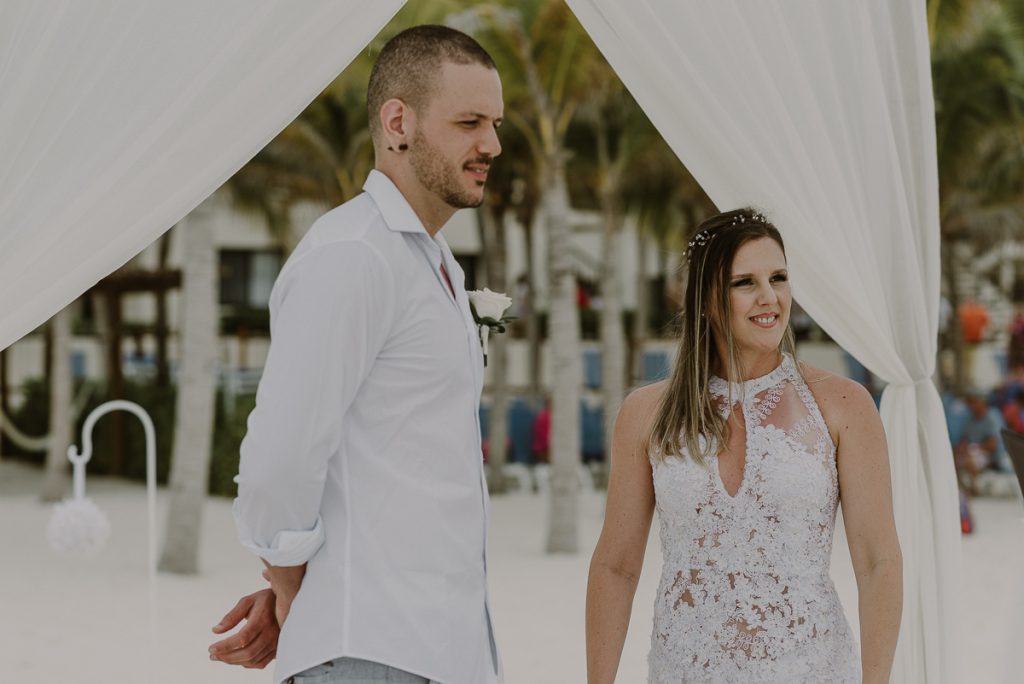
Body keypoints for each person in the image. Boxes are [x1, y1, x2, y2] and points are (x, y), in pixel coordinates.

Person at [207, 25, 504, 684]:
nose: (493, 145)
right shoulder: (353, 255)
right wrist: (293, 589)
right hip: (375, 654)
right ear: (398, 122)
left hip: (438, 649)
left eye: (495, 123)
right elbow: (276, 460)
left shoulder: (433, 263)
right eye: (470, 122)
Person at [585, 209, 902, 683]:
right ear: (708, 298)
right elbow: (616, 566)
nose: (769, 297)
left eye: (778, 277)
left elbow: (878, 561)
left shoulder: (844, 406)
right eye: (745, 282)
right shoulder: (646, 413)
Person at [954, 390, 1008, 495]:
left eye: (974, 402)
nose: (971, 406)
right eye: (970, 403)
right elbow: (964, 439)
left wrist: (974, 448)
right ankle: (963, 490)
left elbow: (993, 444)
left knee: (970, 461)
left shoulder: (991, 418)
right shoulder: (969, 419)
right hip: (972, 451)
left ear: (982, 402)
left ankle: (974, 488)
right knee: (955, 458)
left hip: (989, 454)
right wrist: (961, 449)